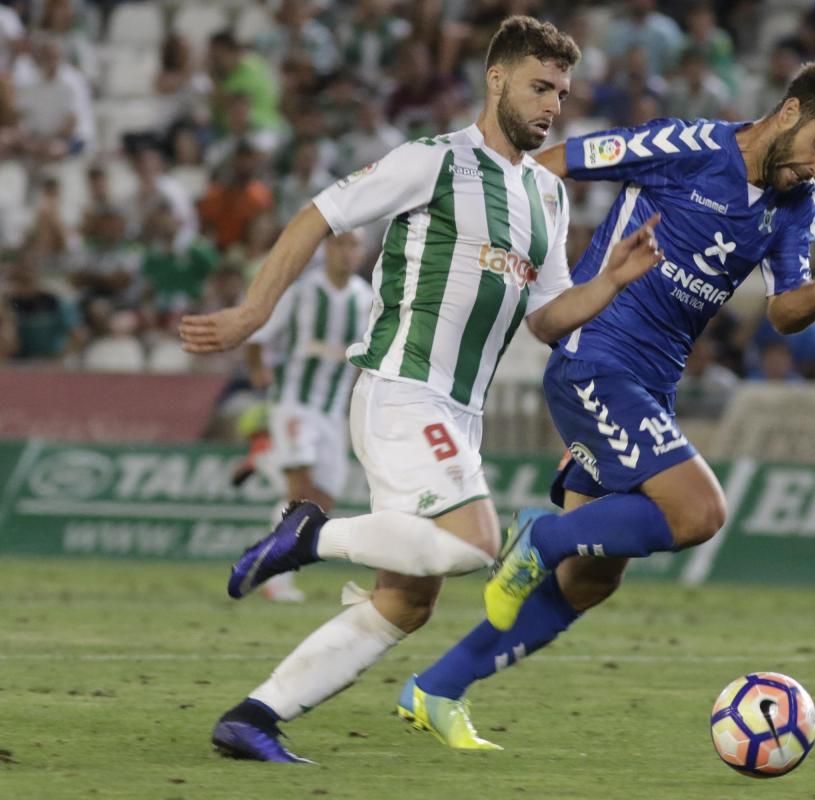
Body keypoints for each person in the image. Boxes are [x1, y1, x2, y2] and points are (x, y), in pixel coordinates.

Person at [178, 17, 665, 763]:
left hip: (456, 413)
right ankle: (309, 535)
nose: (552, 107)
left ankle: (253, 717)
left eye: (561, 94)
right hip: (402, 389)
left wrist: (611, 283)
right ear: (495, 80)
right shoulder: (434, 161)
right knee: (476, 545)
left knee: (407, 599)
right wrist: (254, 311)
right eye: (539, 87)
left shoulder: (547, 194)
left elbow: (546, 319)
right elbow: (319, 214)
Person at [404, 55, 815, 748]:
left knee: (591, 579)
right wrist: (517, 262)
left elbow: (782, 311)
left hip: (650, 385)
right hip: (595, 359)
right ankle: (538, 535)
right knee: (699, 512)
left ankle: (436, 687)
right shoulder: (687, 147)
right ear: (788, 114)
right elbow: (554, 163)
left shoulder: (795, 205)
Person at [245, 229, 373, 602]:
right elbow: (259, 333)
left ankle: (267, 460)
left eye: (354, 245)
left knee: (321, 504)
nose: (347, 253)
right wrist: (258, 370)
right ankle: (276, 581)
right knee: (299, 495)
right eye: (341, 244)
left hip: (333, 412)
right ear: (327, 248)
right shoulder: (301, 292)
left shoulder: (365, 299)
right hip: (294, 402)